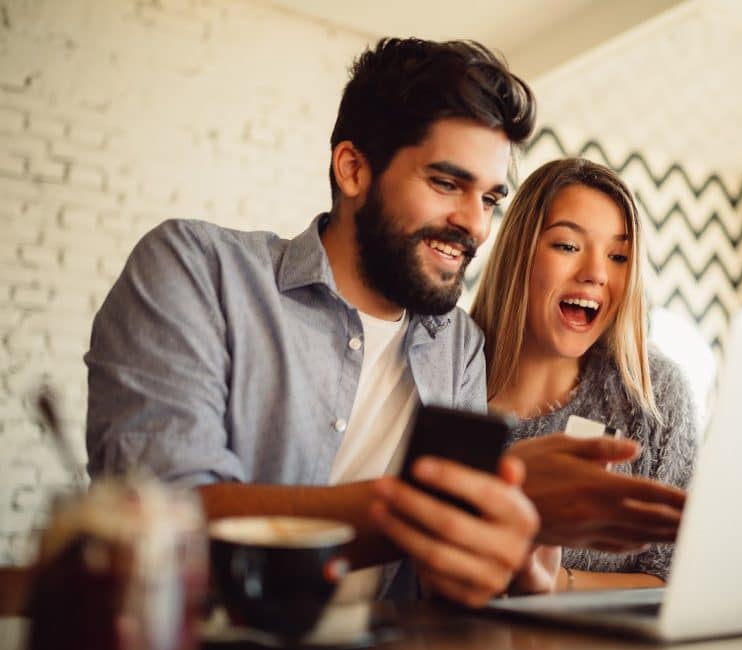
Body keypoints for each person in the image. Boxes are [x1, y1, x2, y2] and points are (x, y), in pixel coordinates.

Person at [85, 39, 685, 608]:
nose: (473, 225)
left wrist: (513, 565)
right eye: (446, 183)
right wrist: (446, 505)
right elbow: (163, 519)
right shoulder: (198, 271)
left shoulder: (459, 349)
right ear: (352, 169)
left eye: (489, 199)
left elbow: (438, 584)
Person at [471, 158, 698, 594]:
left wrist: (558, 583)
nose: (596, 273)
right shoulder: (443, 369)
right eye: (568, 247)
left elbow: (679, 577)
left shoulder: (655, 395)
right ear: (521, 255)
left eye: (618, 256)